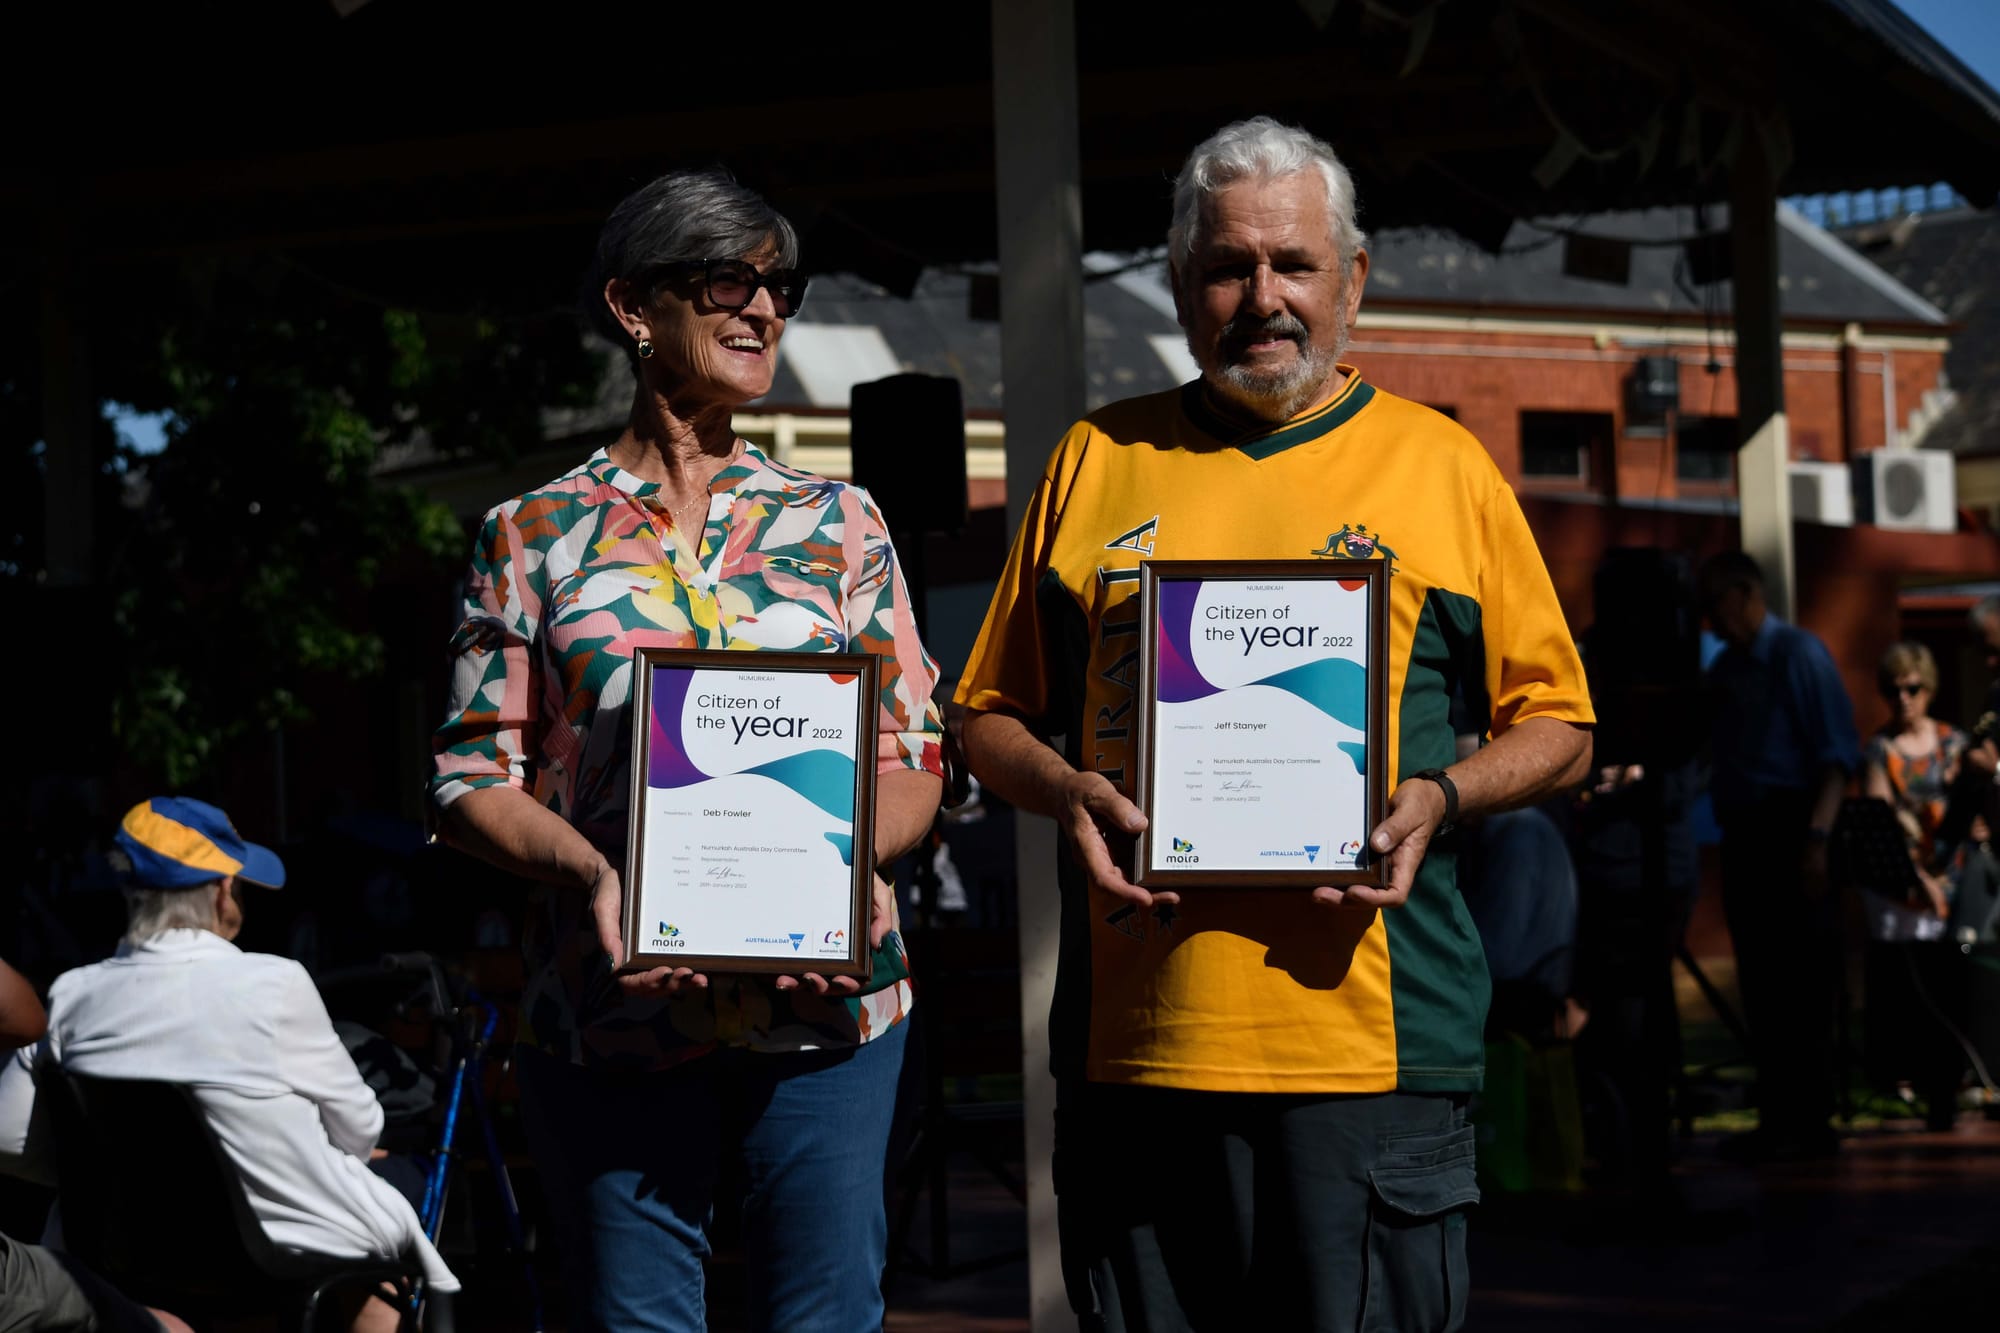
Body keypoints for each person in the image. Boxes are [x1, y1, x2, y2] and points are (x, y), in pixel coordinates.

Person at [954, 117, 1593, 1331]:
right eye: (1226, 266)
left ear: (1351, 279)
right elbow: (985, 713)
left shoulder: (1442, 468)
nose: (1263, 298)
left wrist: (1443, 796)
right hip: (1134, 1049)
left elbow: (1560, 722)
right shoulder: (1093, 461)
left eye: (1292, 264)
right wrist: (1064, 788)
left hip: (1374, 1053)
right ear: (1179, 282)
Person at [430, 167, 945, 1333]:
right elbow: (469, 775)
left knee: (823, 1319)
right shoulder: (531, 535)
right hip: (607, 1014)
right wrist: (596, 873)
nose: (764, 309)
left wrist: (855, 861)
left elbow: (916, 752)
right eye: (729, 280)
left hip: (828, 1018)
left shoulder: (842, 525)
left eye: (780, 286)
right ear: (632, 308)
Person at [0, 799, 453, 1333]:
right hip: (266, 1250)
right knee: (401, 1199)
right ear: (219, 890)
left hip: (126, 1248)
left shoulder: (74, 995)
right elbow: (360, 1129)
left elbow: (8, 1136)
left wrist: (121, 1168)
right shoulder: (274, 983)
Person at [1698, 550, 1859, 1161]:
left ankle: (1812, 1124)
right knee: (1761, 982)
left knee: (1805, 983)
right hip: (1745, 837)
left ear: (1745, 593)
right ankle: (1778, 1121)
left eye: (1715, 606)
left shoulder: (1798, 655)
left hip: (1795, 831)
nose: (1710, 625)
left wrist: (1817, 842)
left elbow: (1837, 756)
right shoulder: (1728, 671)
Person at [1862, 641, 1968, 918]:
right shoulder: (1880, 749)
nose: (1903, 699)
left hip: (1956, 874)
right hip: (1905, 879)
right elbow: (1881, 823)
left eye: (1912, 689)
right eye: (1892, 691)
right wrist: (1920, 879)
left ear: (1929, 689)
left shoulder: (1953, 742)